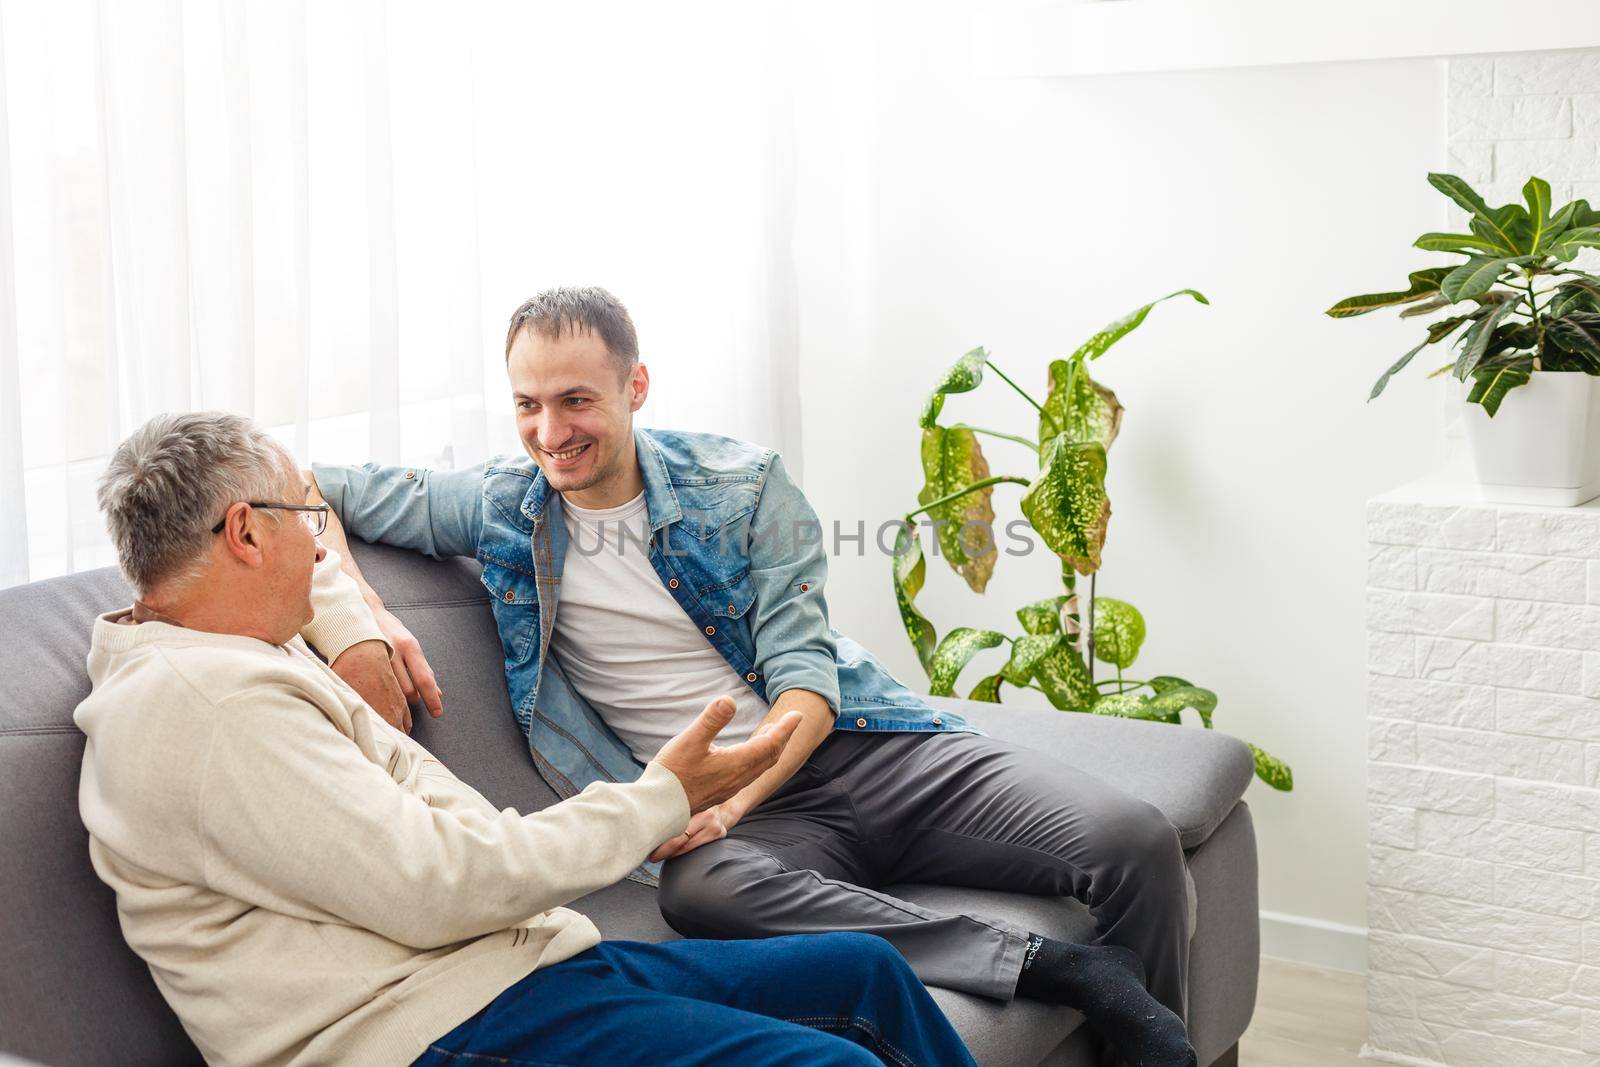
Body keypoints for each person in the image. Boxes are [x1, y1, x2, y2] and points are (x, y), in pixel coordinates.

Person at [312, 287, 1198, 1067]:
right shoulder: (502, 505)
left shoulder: (739, 487)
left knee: (1136, 840)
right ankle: (1061, 965)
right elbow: (297, 482)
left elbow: (806, 683)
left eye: (577, 400)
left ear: (635, 387)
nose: (552, 433)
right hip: (752, 819)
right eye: (528, 404)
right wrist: (363, 612)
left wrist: (734, 798)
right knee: (704, 890)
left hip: (868, 750)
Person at [75, 411, 977, 1067]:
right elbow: (436, 884)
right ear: (243, 533)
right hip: (423, 1031)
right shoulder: (208, 707)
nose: (323, 548)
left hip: (507, 973)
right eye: (305, 526)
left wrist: (351, 613)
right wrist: (660, 797)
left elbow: (433, 839)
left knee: (865, 971)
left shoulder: (232, 647)